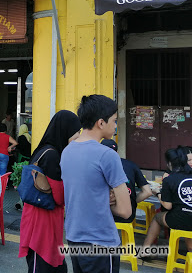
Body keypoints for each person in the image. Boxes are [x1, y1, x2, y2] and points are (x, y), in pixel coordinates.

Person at [61, 95, 131, 273]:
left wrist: (98, 198)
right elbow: (125, 211)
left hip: (74, 237)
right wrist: (104, 200)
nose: (115, 126)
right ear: (101, 123)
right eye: (114, 121)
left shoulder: (67, 151)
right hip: (101, 241)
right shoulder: (108, 155)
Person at [18, 110, 82, 272]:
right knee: (42, 265)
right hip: (42, 223)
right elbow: (60, 197)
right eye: (77, 133)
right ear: (65, 130)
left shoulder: (43, 150)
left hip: (38, 217)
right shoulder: (53, 155)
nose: (78, 137)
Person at [140, 146, 192, 257]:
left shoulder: (170, 179)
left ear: (170, 163)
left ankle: (145, 251)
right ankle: (190, 252)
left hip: (181, 218)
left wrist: (158, 193)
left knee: (157, 218)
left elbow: (167, 206)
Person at [101, 139, 152, 223]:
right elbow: (148, 192)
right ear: (117, 153)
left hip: (103, 216)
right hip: (127, 216)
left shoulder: (97, 166)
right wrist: (126, 201)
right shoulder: (131, 165)